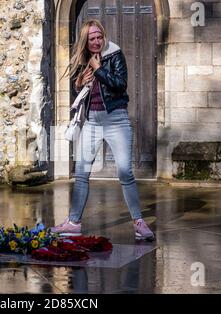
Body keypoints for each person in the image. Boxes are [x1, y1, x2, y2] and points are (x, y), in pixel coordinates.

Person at [50, 19, 155, 241]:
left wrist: (98, 70)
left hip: (116, 119)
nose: (97, 41)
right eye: (92, 38)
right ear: (86, 41)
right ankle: (73, 222)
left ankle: (138, 223)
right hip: (91, 122)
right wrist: (78, 83)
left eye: (99, 37)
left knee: (125, 172)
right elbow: (76, 94)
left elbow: (120, 84)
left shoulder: (114, 54)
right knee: (81, 173)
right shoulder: (81, 60)